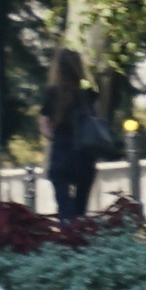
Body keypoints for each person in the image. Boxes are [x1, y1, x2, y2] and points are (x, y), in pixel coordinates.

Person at [41, 48, 96, 220]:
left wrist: (56, 136)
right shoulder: (89, 95)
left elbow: (44, 126)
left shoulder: (52, 93)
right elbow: (96, 121)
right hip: (84, 155)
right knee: (80, 209)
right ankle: (80, 237)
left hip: (61, 153)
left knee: (64, 207)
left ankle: (67, 236)